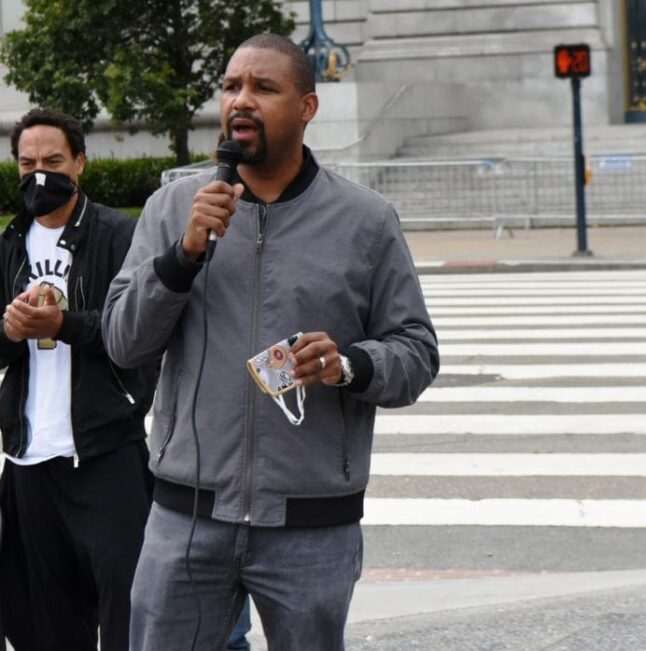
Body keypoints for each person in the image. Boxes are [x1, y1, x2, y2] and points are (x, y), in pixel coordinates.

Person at [103, 33, 439, 650]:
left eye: (263, 87)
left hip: (312, 523)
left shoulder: (365, 220)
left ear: (307, 107)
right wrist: (180, 260)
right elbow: (123, 343)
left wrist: (349, 364)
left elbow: (416, 350)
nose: (241, 101)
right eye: (231, 86)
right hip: (187, 515)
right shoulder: (174, 206)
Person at [0, 109, 157, 650]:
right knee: (43, 621)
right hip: (31, 463)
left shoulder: (118, 235)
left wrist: (63, 325)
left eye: (53, 162)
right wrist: (9, 330)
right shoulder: (8, 245)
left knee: (127, 608)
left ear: (80, 163)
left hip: (106, 454)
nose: (40, 175)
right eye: (27, 164)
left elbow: (137, 330)